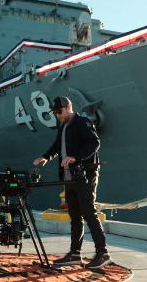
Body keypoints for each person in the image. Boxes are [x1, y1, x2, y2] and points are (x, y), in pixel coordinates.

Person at [33, 96, 112, 269]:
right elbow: (56, 146)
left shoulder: (82, 122)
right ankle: (75, 254)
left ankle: (102, 253)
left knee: (89, 213)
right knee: (75, 216)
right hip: (69, 178)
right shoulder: (63, 127)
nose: (58, 116)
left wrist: (76, 157)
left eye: (59, 112)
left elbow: (94, 143)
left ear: (69, 107)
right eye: (55, 113)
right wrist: (46, 157)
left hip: (85, 176)